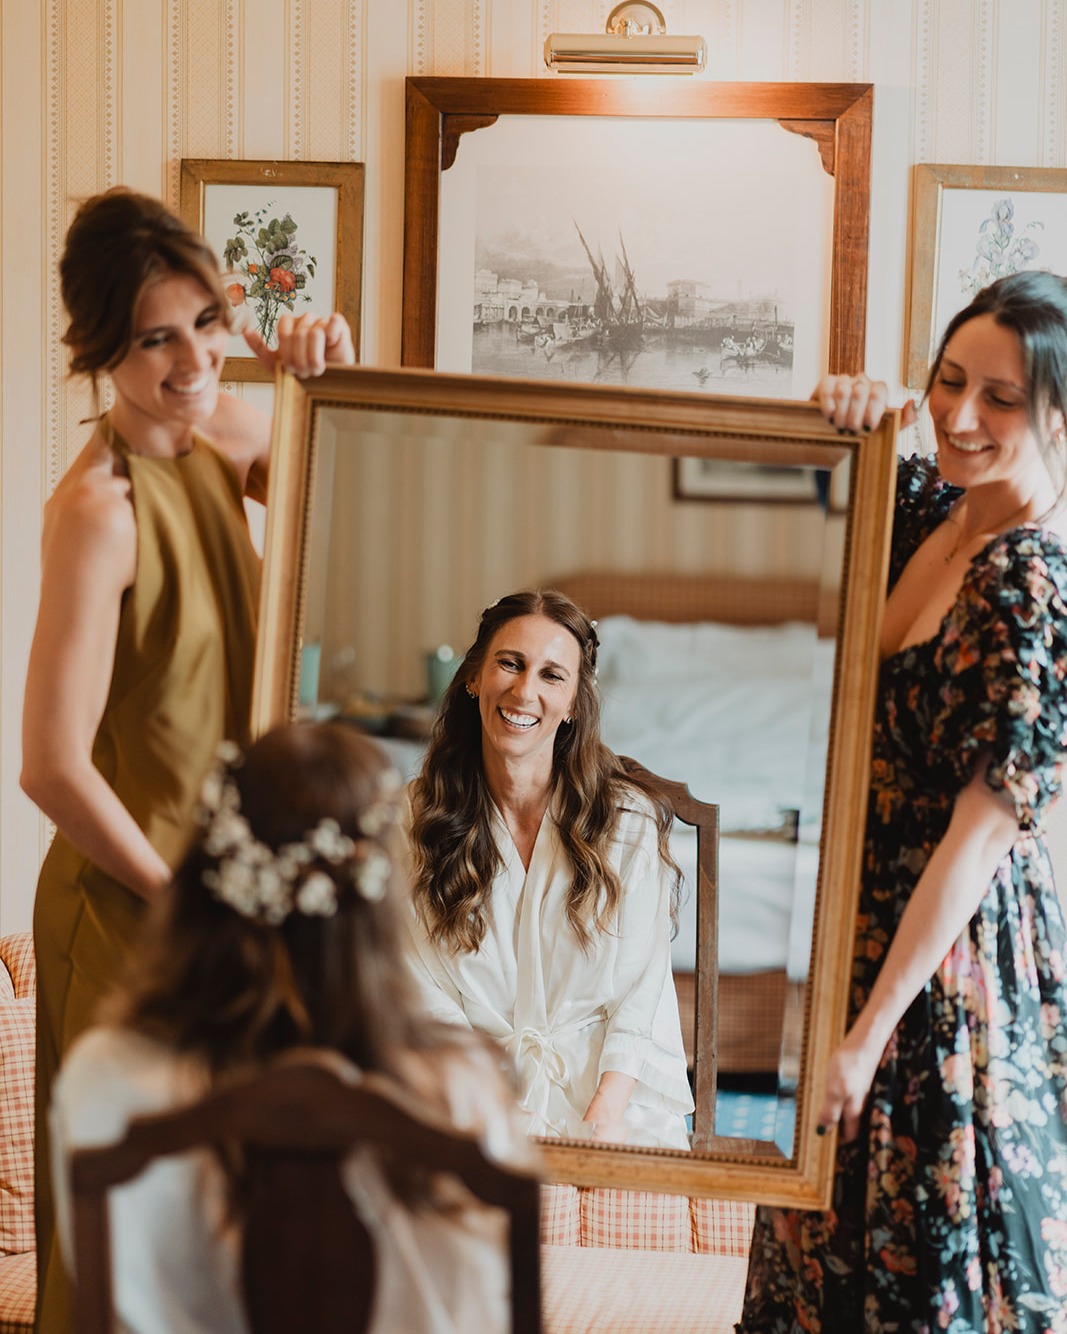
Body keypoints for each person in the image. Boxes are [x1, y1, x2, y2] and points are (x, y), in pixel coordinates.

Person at [19, 186, 355, 1332]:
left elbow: (357, 501)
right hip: (133, 912)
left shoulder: (233, 430)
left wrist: (321, 376)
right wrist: (184, 905)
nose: (194, 358)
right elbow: (50, 764)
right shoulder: (97, 510)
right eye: (155, 337)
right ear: (99, 349)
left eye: (206, 321)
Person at [740, 270, 1067, 1330]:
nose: (958, 416)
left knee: (918, 1247)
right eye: (947, 379)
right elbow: (804, 487)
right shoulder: (926, 507)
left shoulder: (1028, 583)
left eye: (1000, 398)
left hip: (939, 956)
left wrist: (866, 1031)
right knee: (820, 1233)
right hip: (857, 917)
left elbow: (978, 840)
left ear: (1057, 419)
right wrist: (838, 412)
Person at [49, 721, 533, 1334]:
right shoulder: (461, 1092)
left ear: (208, 874)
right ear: (381, 900)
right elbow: (484, 1312)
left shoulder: (104, 1078)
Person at [405, 588, 694, 1149]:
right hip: (467, 1090)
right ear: (474, 677)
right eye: (510, 664)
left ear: (574, 704)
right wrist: (493, 1111)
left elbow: (643, 989)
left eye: (551, 675)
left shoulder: (626, 821)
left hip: (609, 1094)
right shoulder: (414, 818)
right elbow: (417, 984)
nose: (524, 691)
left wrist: (602, 1118)